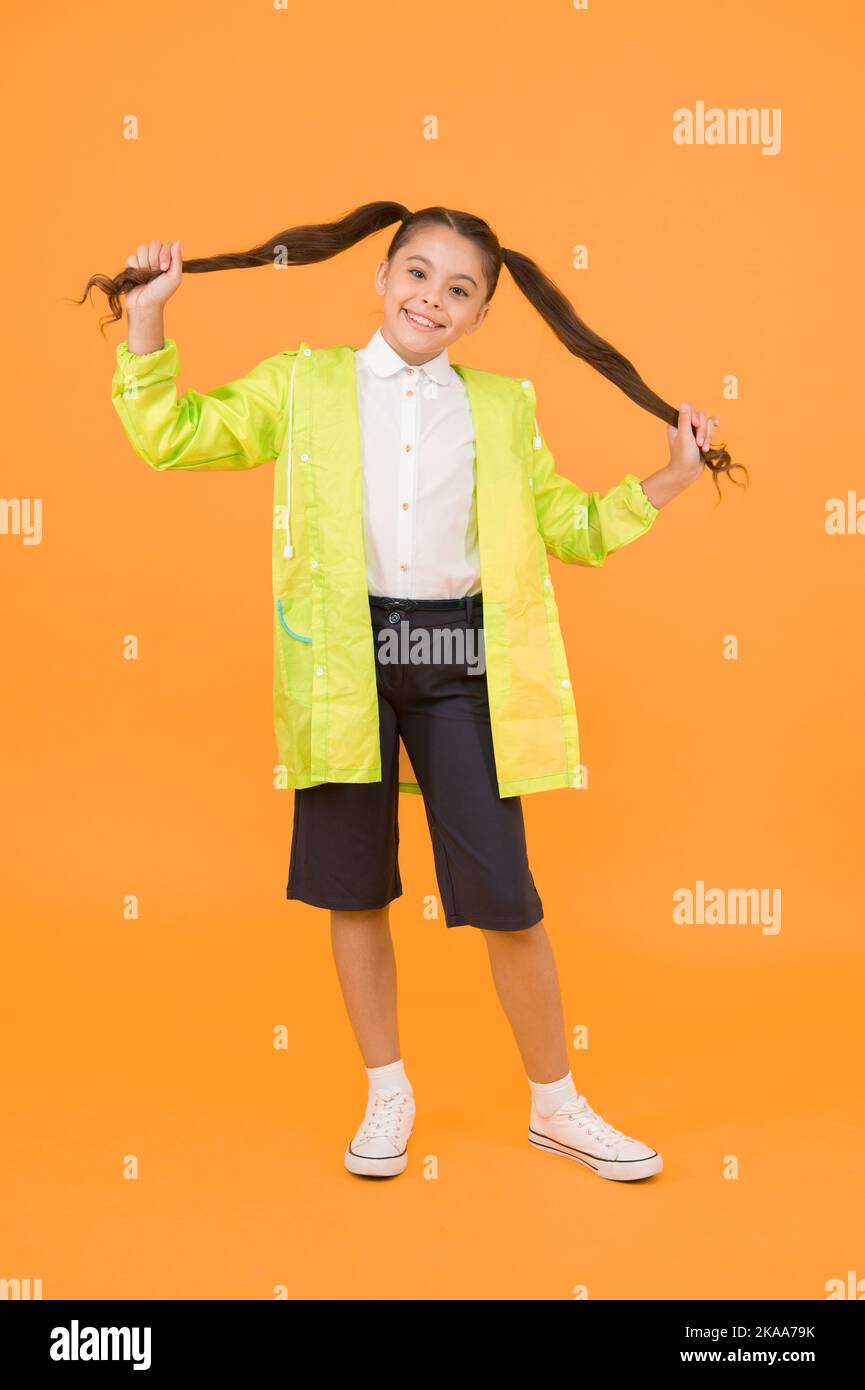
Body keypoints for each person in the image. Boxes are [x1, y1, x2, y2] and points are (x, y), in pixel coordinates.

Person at [84, 203, 746, 1184]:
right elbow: (174, 436)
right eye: (417, 273)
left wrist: (673, 479)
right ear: (381, 277)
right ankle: (386, 1089)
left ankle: (556, 1104)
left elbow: (568, 524)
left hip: (458, 659)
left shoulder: (500, 405)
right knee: (354, 883)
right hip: (339, 656)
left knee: (504, 893)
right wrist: (148, 319)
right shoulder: (304, 383)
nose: (431, 298)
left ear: (479, 314)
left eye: (458, 288)